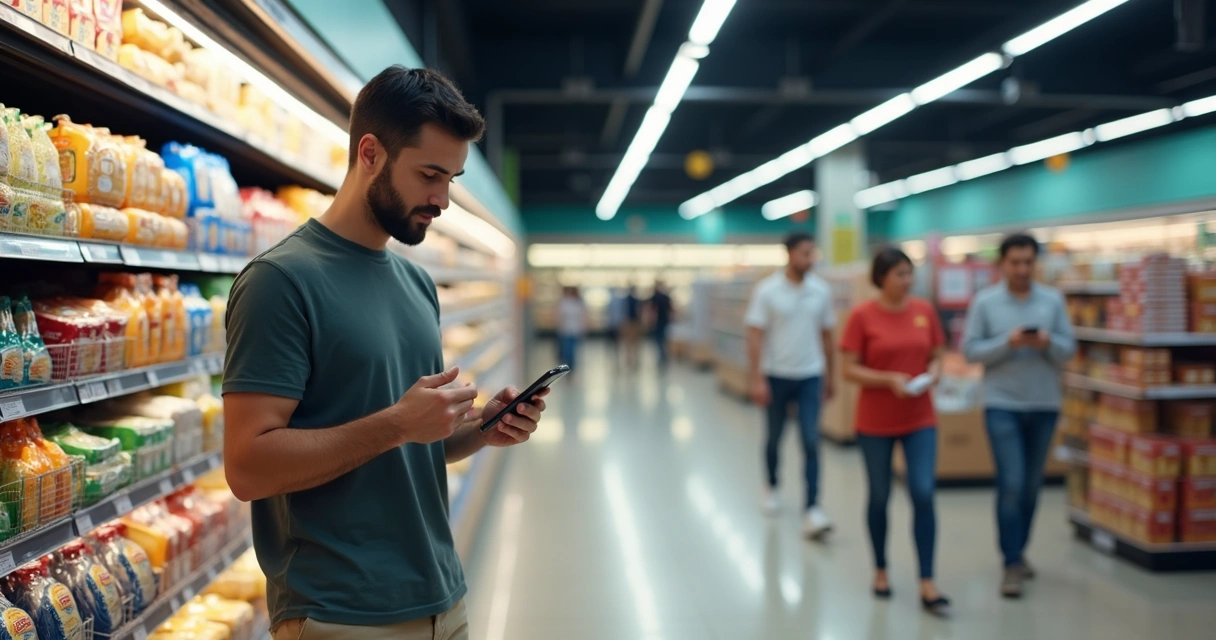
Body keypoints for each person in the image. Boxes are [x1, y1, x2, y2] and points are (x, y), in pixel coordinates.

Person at [222, 66, 549, 640]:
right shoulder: (280, 281)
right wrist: (398, 423)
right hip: (340, 613)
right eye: (429, 174)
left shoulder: (416, 283)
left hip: (443, 597)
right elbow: (247, 467)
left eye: (452, 178)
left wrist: (479, 428)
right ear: (370, 153)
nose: (442, 198)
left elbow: (410, 446)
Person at [962, 232, 1075, 599]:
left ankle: (1019, 549)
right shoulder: (986, 302)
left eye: (1028, 262)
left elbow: (1068, 349)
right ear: (1002, 264)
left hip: (1044, 404)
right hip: (1002, 404)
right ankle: (1011, 562)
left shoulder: (1052, 300)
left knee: (1029, 487)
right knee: (1011, 482)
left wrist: (1047, 344)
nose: (1022, 269)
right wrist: (1006, 344)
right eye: (1015, 262)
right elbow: (970, 351)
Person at [840, 248, 949, 616]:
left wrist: (934, 372)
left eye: (909, 273)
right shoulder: (861, 316)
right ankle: (881, 569)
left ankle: (927, 580)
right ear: (882, 277)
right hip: (875, 420)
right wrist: (888, 380)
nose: (907, 281)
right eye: (900, 274)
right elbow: (849, 370)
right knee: (879, 495)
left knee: (923, 491)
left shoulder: (924, 311)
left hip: (920, 416)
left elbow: (936, 352)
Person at [744, 231, 836, 538]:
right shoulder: (767, 291)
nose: (811, 259)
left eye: (813, 253)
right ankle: (771, 485)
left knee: (811, 440)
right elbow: (755, 334)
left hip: (811, 374)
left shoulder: (820, 291)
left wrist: (831, 375)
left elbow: (827, 335)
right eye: (805, 254)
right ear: (789, 254)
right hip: (776, 375)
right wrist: (757, 377)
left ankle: (812, 507)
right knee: (774, 437)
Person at [555, 286, 587, 371]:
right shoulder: (563, 302)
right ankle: (566, 367)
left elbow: (583, 317)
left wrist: (583, 328)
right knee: (566, 351)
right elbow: (559, 316)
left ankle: (571, 369)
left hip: (575, 331)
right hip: (565, 331)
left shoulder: (578, 303)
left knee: (572, 352)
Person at [648, 280, 675, 370]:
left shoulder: (655, 297)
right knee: (663, 340)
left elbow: (652, 311)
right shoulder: (665, 297)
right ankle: (663, 357)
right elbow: (671, 310)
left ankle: (662, 357)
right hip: (664, 322)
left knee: (659, 340)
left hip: (659, 322)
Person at [621, 286, 642, 369]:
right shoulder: (636, 301)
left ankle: (630, 360)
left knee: (629, 344)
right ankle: (634, 360)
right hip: (633, 323)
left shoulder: (626, 300)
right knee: (634, 344)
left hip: (629, 323)